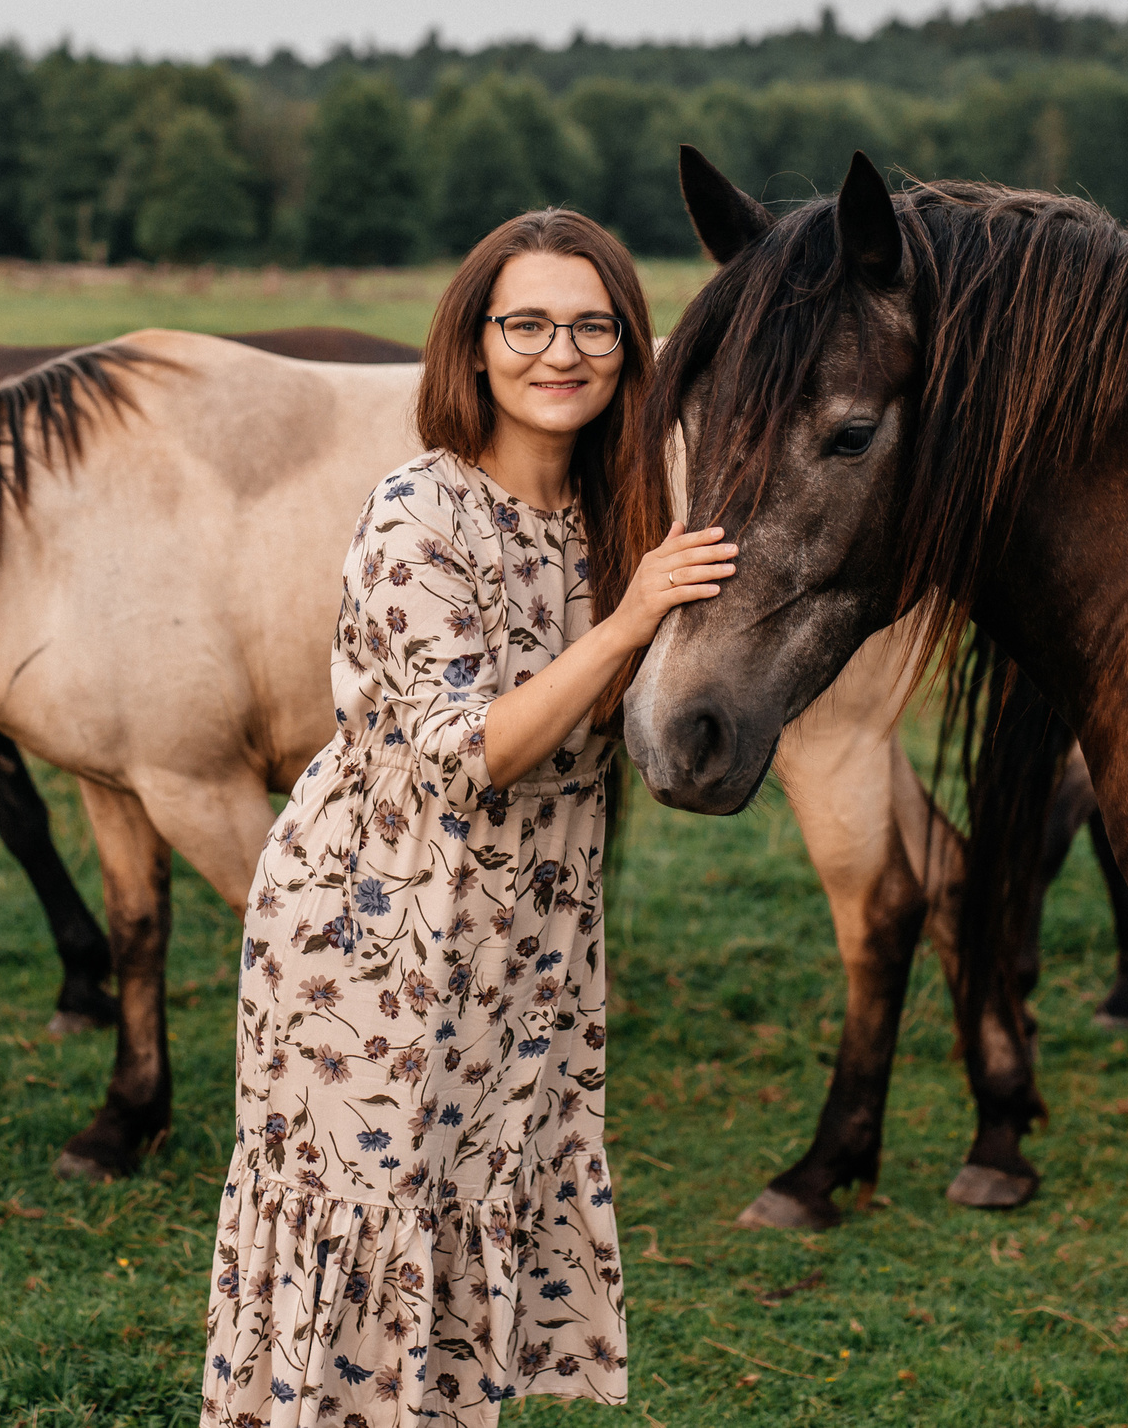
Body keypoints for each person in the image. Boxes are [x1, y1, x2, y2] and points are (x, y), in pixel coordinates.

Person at [200, 210, 736, 1426]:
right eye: (528, 324)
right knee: (369, 1226)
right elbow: (468, 753)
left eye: (593, 327)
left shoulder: (622, 517)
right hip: (375, 933)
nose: (562, 353)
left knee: (472, 1206)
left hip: (530, 937)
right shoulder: (420, 512)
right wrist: (632, 617)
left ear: (630, 348)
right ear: (475, 344)